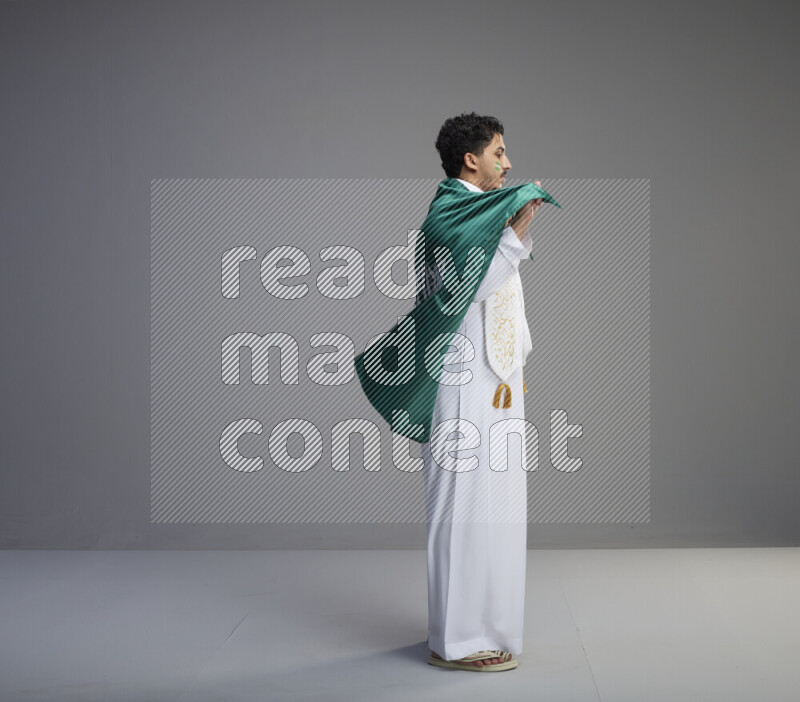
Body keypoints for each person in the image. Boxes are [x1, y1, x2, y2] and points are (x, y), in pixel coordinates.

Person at [421, 113, 542, 672]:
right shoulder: (448, 212)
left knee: (498, 506)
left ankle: (489, 628)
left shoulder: (484, 209)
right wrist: (515, 237)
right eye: (499, 152)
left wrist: (512, 233)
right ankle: (456, 640)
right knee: (463, 508)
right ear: (471, 160)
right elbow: (466, 284)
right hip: (463, 376)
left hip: (500, 379)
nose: (508, 162)